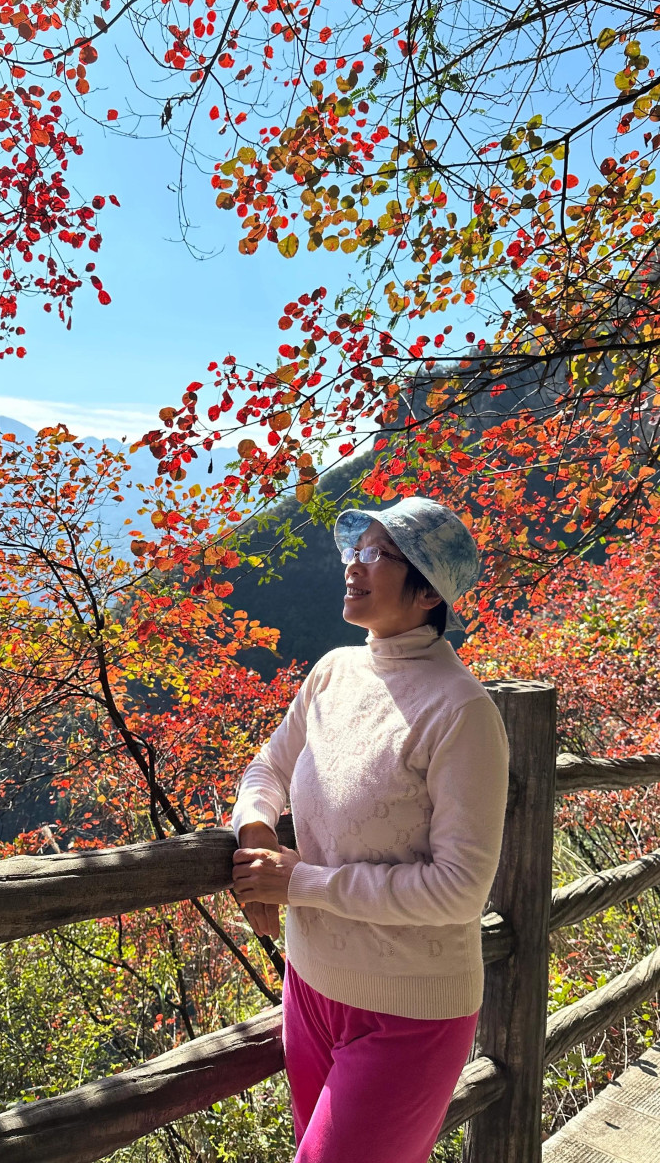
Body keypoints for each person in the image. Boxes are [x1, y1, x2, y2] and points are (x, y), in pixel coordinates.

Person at [231, 497, 509, 1163]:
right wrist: (257, 831)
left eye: (377, 554)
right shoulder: (334, 671)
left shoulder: (461, 711)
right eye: (355, 551)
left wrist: (301, 883)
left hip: (410, 1010)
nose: (353, 566)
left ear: (427, 591)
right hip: (311, 984)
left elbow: (460, 890)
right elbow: (268, 766)